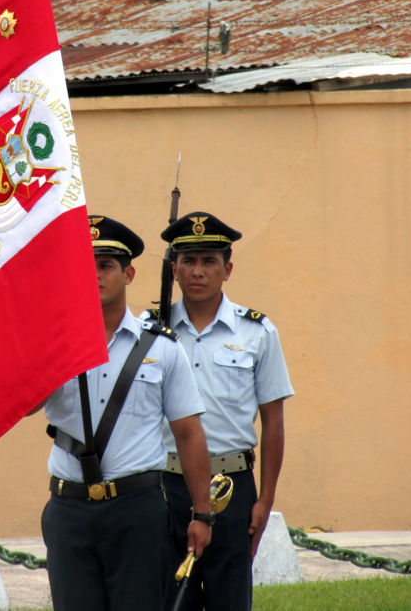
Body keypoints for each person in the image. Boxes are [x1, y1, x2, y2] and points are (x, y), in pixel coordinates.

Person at [38, 214, 214, 611]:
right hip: (69, 509)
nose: (95, 275)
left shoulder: (163, 348)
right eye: (85, 266)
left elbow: (188, 433)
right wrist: (48, 352)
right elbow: (26, 404)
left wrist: (202, 512)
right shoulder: (53, 345)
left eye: (106, 266)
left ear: (128, 274)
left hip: (136, 510)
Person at [158, 211, 294, 611]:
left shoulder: (257, 332)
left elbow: (273, 421)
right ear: (174, 269)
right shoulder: (151, 333)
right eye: (189, 261)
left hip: (231, 486)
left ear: (227, 269)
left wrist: (265, 498)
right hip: (166, 487)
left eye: (209, 261)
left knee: (229, 599)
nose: (198, 271)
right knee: (170, 599)